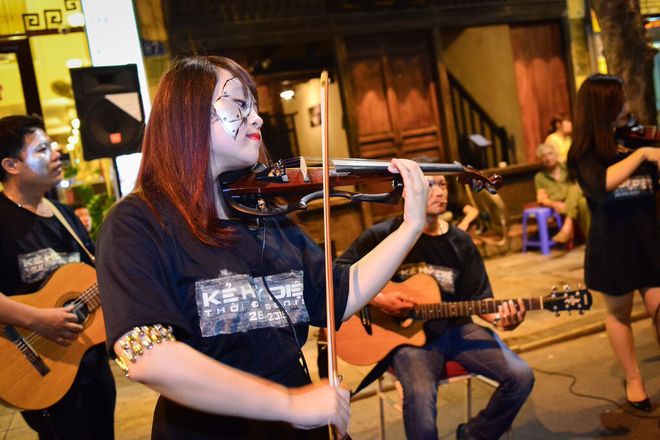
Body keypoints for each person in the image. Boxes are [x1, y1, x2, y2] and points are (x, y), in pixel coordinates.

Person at [95, 55, 430, 439]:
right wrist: (287, 403)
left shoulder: (262, 213)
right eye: (239, 105)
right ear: (186, 117)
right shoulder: (137, 223)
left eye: (254, 106)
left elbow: (339, 293)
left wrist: (410, 226)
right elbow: (146, 355)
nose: (257, 119)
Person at [336, 174, 534, 440]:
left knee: (521, 376)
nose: (439, 191)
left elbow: (479, 300)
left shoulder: (460, 241)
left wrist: (502, 319)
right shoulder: (383, 235)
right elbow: (338, 271)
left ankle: (474, 435)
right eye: (429, 185)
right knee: (421, 410)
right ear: (408, 193)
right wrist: (378, 298)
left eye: (442, 184)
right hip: (407, 341)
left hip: (458, 330)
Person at [0, 114, 116, 439]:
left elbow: (94, 278)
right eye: (41, 149)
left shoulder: (64, 216)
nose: (56, 154)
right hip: (39, 365)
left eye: (52, 146)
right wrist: (37, 318)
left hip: (89, 362)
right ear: (11, 165)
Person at [567, 74, 660, 412]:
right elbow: (600, 185)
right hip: (614, 245)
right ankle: (634, 379)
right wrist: (643, 155)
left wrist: (650, 152)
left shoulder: (635, 138)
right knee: (619, 313)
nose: (626, 105)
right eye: (619, 99)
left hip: (651, 240)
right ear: (604, 104)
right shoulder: (585, 153)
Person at [534, 143, 590, 243]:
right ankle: (591, 240)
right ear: (541, 160)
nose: (547, 158)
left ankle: (566, 228)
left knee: (576, 188)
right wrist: (554, 204)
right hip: (560, 205)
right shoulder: (539, 177)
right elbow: (541, 198)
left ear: (556, 155)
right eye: (543, 156)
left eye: (550, 154)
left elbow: (580, 184)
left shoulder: (568, 168)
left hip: (572, 200)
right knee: (583, 203)